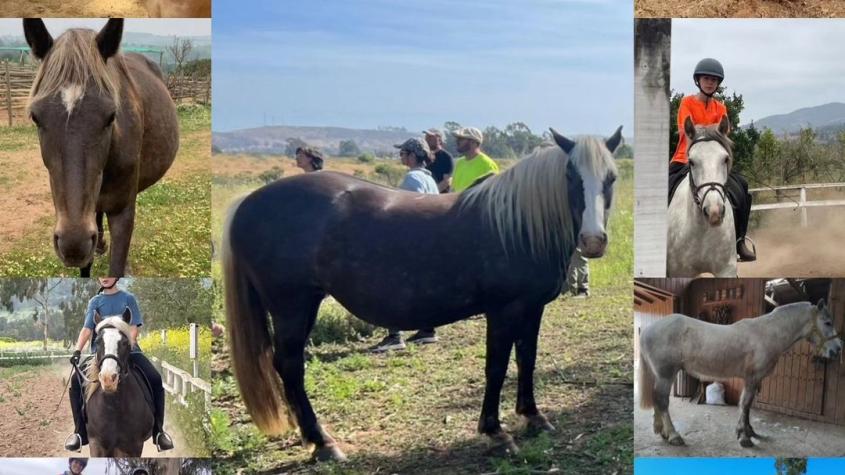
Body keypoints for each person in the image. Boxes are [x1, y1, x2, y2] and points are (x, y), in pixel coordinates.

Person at [65, 277, 174, 452]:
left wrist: (127, 345)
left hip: (127, 350)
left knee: (155, 378)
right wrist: (77, 350)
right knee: (75, 382)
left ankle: (159, 432)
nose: (105, 277)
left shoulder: (128, 298)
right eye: (101, 275)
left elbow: (134, 327)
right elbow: (87, 328)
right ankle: (79, 433)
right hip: (100, 353)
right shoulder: (95, 301)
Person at [669, 58, 756, 261]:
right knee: (661, 190)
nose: (710, 83)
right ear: (698, 81)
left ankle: (739, 241)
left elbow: (723, 136)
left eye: (714, 80)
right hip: (684, 159)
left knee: (742, 187)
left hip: (714, 164)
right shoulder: (686, 103)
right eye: (706, 78)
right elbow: (686, 130)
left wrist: (714, 138)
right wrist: (712, 133)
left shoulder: (721, 108)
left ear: (718, 84)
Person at [370, 138, 440, 353]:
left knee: (391, 286)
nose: (400, 157)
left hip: (413, 240)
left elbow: (409, 208)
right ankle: (428, 329)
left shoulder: (411, 179)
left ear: (411, 155)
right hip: (430, 238)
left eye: (402, 153)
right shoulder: (431, 180)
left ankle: (394, 335)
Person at [450, 127, 499, 192]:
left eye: (461, 139)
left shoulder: (488, 164)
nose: (457, 141)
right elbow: (453, 189)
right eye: (457, 139)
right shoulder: (459, 162)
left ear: (473, 142)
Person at [423, 128, 454, 193]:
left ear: (439, 140)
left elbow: (447, 181)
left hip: (440, 197)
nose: (427, 139)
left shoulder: (446, 157)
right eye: (426, 137)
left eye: (430, 137)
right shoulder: (424, 156)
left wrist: (432, 193)